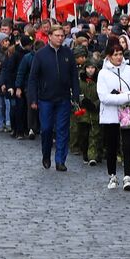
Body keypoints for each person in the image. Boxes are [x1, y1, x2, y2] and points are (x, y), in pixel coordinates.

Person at [27, 25, 79, 170]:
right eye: (57, 35)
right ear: (49, 36)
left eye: (62, 35)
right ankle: (46, 154)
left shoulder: (68, 53)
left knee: (63, 129)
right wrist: (33, 99)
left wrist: (75, 95)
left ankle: (60, 160)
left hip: (63, 98)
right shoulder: (40, 54)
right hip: (45, 98)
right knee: (47, 128)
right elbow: (33, 78)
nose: (60, 38)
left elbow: (74, 76)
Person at [96, 43, 130, 191]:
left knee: (128, 145)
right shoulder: (103, 73)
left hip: (128, 115)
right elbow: (104, 97)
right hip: (110, 115)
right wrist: (125, 97)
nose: (118, 57)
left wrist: (129, 96)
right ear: (109, 56)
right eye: (115, 54)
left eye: (120, 54)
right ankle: (112, 175)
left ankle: (128, 177)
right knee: (112, 146)